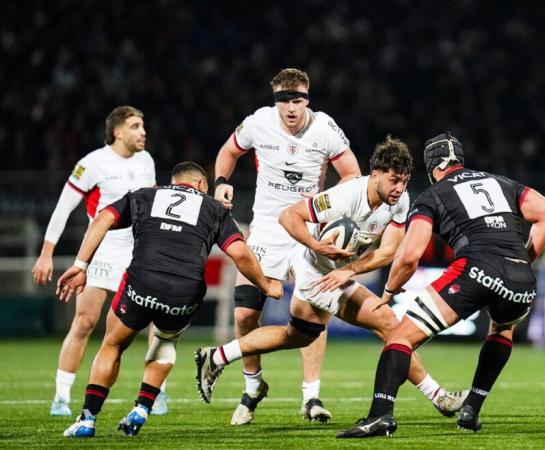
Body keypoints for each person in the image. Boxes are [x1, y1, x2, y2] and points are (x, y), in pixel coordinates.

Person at [196, 136, 467, 420]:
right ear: (374, 174)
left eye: (404, 180)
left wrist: (349, 270)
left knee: (295, 335)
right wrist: (316, 246)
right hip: (316, 275)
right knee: (390, 324)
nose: (399, 188)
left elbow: (389, 250)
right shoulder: (346, 196)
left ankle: (216, 357)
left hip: (335, 275)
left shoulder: (398, 201)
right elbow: (289, 216)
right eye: (393, 180)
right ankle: (439, 397)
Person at [337, 132, 545, 438]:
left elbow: (409, 256)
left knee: (401, 337)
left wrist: (388, 292)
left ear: (432, 169)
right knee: (501, 329)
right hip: (522, 280)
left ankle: (381, 415)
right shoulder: (502, 182)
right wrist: (523, 259)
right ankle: (471, 409)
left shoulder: (433, 194)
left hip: (477, 268)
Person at [57, 162, 283, 438]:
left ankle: (88, 419)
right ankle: (142, 408)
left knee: (113, 344)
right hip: (183, 293)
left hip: (141, 283)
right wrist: (266, 285)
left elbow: (103, 217)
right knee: (164, 340)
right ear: (202, 185)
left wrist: (81, 265)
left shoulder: (144, 195)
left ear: (173, 182)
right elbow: (241, 253)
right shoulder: (215, 209)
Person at [212, 68, 361, 424]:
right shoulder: (259, 122)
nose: (291, 109)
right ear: (274, 101)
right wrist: (220, 183)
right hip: (265, 229)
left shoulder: (325, 128)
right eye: (284, 101)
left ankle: (311, 397)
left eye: (297, 101)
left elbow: (353, 175)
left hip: (307, 227)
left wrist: (326, 199)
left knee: (311, 309)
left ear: (307, 99)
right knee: (245, 312)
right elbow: (228, 152)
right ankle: (252, 387)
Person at [29, 106, 173, 416]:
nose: (143, 132)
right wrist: (46, 253)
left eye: (143, 125)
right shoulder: (92, 163)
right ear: (118, 132)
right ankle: (62, 397)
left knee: (153, 319)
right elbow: (63, 207)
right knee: (84, 321)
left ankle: (156, 391)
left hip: (138, 251)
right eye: (136, 126)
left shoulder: (146, 160)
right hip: (102, 250)